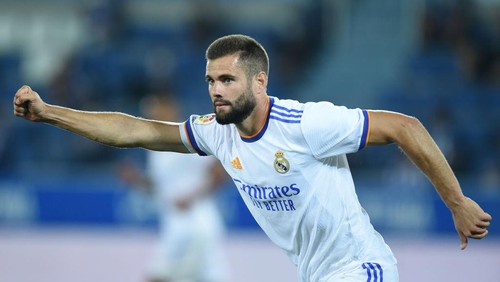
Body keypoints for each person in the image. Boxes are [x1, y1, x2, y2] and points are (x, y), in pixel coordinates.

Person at [13, 34, 491, 282]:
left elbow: (406, 127)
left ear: (259, 82)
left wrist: (456, 202)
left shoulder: (306, 124)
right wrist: (51, 113)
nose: (216, 91)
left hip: (362, 269)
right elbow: (132, 130)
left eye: (227, 80)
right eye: (210, 81)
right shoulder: (218, 136)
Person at [117, 93, 230, 282]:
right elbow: (158, 186)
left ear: (172, 109)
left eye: (156, 110)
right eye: (149, 113)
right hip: (174, 224)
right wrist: (135, 179)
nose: (152, 116)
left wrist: (192, 197)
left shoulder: (191, 136)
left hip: (198, 223)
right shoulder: (155, 147)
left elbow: (220, 173)